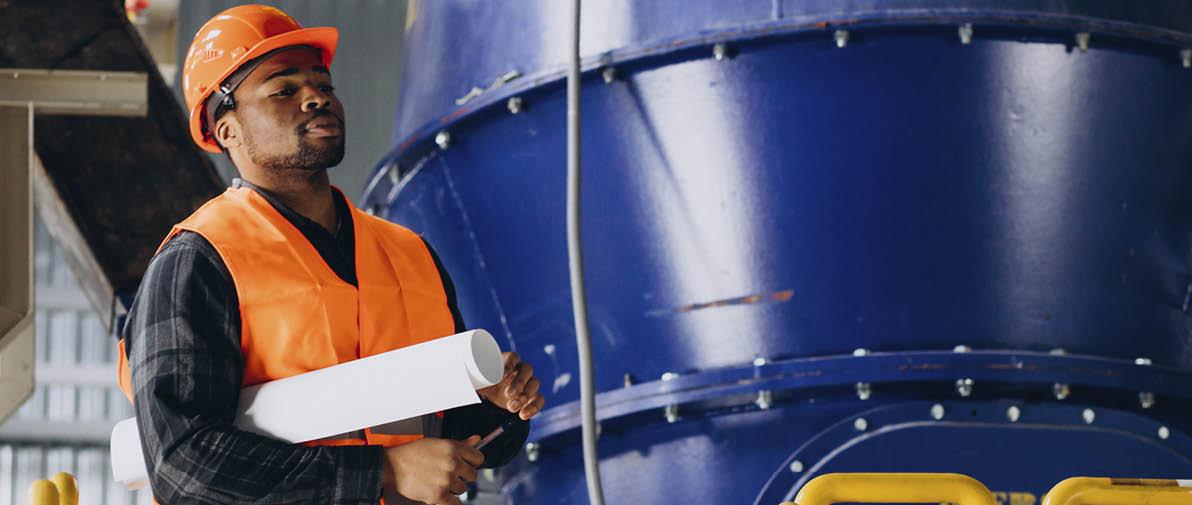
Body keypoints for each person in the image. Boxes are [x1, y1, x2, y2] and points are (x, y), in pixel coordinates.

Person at [115, 5, 545, 505]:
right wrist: (382, 472)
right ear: (227, 130)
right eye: (284, 89)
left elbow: (452, 439)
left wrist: (496, 408)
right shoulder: (199, 260)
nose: (316, 97)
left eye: (323, 84)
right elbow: (183, 463)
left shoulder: (411, 255)